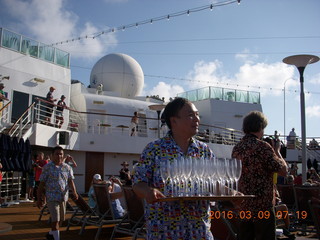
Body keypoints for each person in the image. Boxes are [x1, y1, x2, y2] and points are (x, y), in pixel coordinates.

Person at [133, 97, 215, 239]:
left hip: (199, 232)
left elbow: (215, 183)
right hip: (165, 232)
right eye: (191, 115)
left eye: (197, 115)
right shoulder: (154, 149)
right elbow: (138, 184)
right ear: (174, 120)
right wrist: (148, 191)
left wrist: (233, 194)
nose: (197, 119)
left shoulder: (204, 150)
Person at [232, 111, 288, 240]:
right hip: (262, 206)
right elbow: (283, 171)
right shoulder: (263, 147)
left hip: (244, 205)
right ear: (260, 127)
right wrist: (277, 151)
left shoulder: (237, 148)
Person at [37, 146, 78, 240]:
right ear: (52, 155)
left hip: (63, 197)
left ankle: (51, 234)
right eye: (57, 154)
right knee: (55, 220)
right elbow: (41, 184)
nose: (59, 156)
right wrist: (39, 199)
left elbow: (71, 181)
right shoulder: (47, 167)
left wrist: (74, 192)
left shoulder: (67, 167)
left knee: (61, 221)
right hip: (51, 197)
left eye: (61, 154)